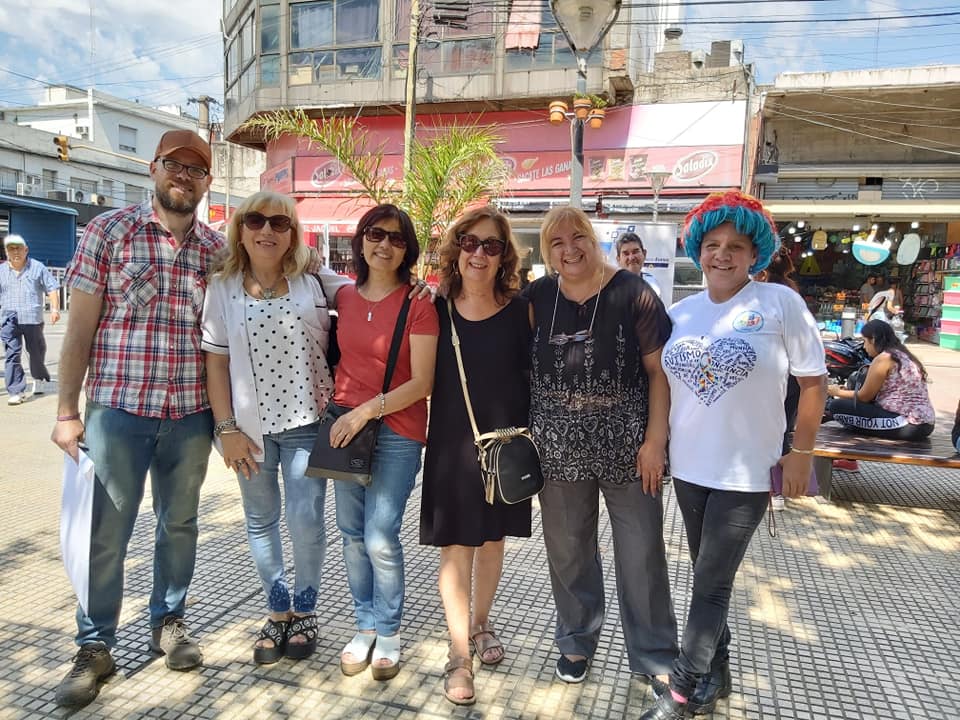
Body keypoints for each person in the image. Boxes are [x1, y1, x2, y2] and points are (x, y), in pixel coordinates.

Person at [50, 130, 220, 708]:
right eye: (174, 165)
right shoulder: (109, 232)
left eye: (196, 170)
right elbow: (78, 330)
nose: (183, 177)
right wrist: (66, 412)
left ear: (207, 182)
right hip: (117, 415)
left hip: (191, 416)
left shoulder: (217, 252)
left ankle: (168, 622)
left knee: (180, 525)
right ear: (153, 168)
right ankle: (94, 645)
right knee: (106, 534)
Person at [648, 191, 827, 720]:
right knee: (710, 578)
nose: (722, 255)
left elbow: (814, 383)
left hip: (746, 473)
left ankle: (682, 691)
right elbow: (661, 384)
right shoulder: (680, 312)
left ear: (755, 254)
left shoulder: (780, 304)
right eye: (713, 245)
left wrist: (802, 453)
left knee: (710, 584)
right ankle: (716, 676)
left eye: (736, 246)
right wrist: (656, 443)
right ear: (698, 251)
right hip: (689, 469)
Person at [525, 206, 678, 687]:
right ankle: (575, 639)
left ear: (594, 241)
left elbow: (659, 372)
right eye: (556, 242)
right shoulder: (537, 297)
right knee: (568, 551)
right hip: (557, 449)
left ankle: (654, 654)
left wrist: (656, 441)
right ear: (547, 252)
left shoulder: (634, 293)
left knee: (641, 552)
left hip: (630, 448)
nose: (569, 249)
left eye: (578, 238)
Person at [201, 190, 350, 664]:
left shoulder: (314, 279)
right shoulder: (222, 287)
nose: (267, 230)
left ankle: (305, 610)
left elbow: (369, 292)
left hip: (307, 422)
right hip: (248, 431)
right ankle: (277, 609)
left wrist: (418, 291)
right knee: (260, 520)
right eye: (256, 221)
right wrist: (226, 428)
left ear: (292, 234)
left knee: (306, 520)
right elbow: (215, 363)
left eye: (279, 223)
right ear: (241, 230)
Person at [419, 206, 531, 706]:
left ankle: (482, 622)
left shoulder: (522, 310)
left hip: (504, 448)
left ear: (504, 255)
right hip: (452, 445)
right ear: (456, 249)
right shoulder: (434, 306)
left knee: (492, 542)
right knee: (456, 547)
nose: (479, 254)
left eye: (491, 245)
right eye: (470, 243)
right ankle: (459, 651)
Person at [332, 204, 439, 682]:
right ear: (360, 240)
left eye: (397, 238)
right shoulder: (342, 295)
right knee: (352, 533)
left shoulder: (419, 303)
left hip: (397, 431)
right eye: (376, 234)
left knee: (379, 534)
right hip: (346, 429)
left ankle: (390, 632)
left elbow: (422, 383)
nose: (385, 245)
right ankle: (365, 625)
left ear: (407, 249)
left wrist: (364, 411)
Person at [825, 319, 935, 440]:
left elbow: (864, 397)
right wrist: (846, 392)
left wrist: (836, 392)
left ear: (873, 339)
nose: (864, 346)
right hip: (925, 423)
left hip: (905, 423)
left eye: (865, 341)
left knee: (836, 406)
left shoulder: (884, 358)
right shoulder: (904, 355)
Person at [754, 246, 802, 512]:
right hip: (793, 376)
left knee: (771, 428)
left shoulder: (769, 297)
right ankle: (777, 490)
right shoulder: (791, 292)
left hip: (777, 375)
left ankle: (772, 488)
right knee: (781, 429)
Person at [0, 233, 60, 404]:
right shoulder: (1, 271)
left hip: (32, 318)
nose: (15, 252)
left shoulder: (37, 267)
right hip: (8, 318)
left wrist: (55, 309)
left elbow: (52, 288)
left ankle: (39, 378)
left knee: (36, 352)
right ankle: (16, 390)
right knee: (12, 353)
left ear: (26, 250)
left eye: (18, 248)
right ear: (6, 252)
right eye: (11, 249)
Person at [616, 232, 662, 297]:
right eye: (626, 253)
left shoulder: (652, 284)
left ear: (644, 254)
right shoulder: (610, 287)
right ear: (618, 259)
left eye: (635, 252)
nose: (631, 258)